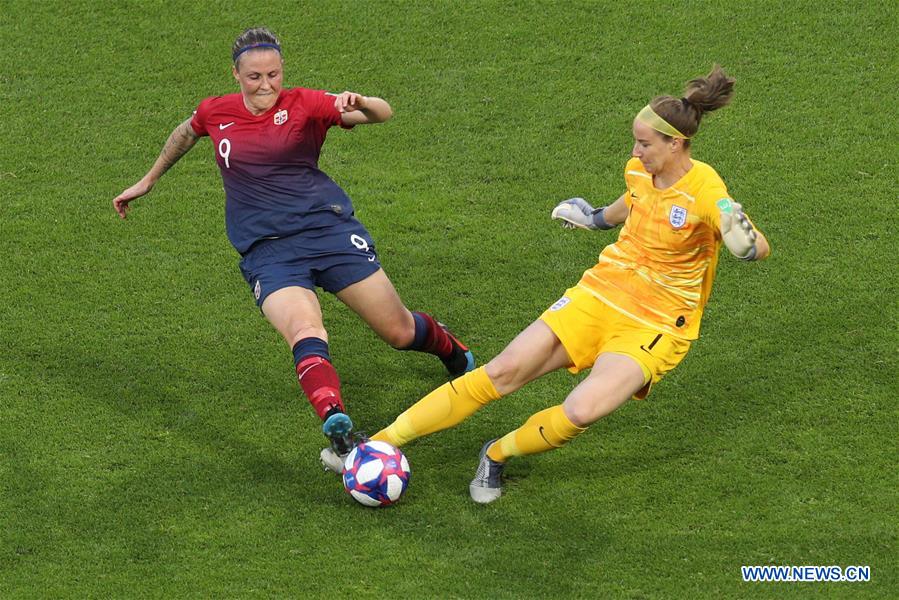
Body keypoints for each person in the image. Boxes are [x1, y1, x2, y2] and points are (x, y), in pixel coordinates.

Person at [329, 65, 770, 503]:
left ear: (675, 143)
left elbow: (756, 245)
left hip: (655, 324)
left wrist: (745, 244)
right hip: (599, 293)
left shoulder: (705, 189)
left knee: (582, 410)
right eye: (635, 141)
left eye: (644, 143)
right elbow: (634, 199)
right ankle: (373, 446)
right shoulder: (639, 171)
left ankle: (496, 454)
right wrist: (595, 218)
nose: (635, 152)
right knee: (501, 372)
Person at [113, 27, 474, 467]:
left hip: (328, 233)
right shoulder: (216, 111)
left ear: (282, 70)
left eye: (273, 75)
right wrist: (149, 180)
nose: (265, 85)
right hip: (268, 252)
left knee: (399, 332)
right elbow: (187, 131)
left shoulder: (306, 103)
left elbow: (383, 113)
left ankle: (451, 350)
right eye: (254, 77)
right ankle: (335, 419)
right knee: (305, 330)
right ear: (236, 74)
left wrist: (361, 102)